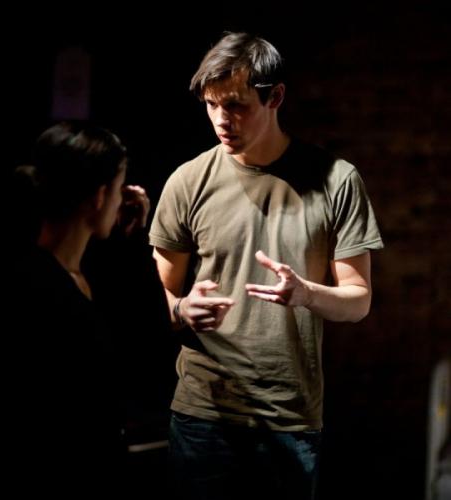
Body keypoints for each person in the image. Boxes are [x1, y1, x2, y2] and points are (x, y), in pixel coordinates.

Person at [149, 32, 384, 500]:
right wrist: (181, 310)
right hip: (204, 413)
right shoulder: (188, 181)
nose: (221, 119)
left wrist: (307, 293)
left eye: (236, 105)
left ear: (275, 97)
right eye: (212, 105)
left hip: (289, 417)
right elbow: (159, 298)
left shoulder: (336, 181)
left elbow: (358, 301)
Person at [0, 122, 150, 495]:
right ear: (99, 196)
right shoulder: (42, 288)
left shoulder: (53, 274)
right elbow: (140, 363)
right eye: (118, 188)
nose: (121, 199)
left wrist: (129, 239)